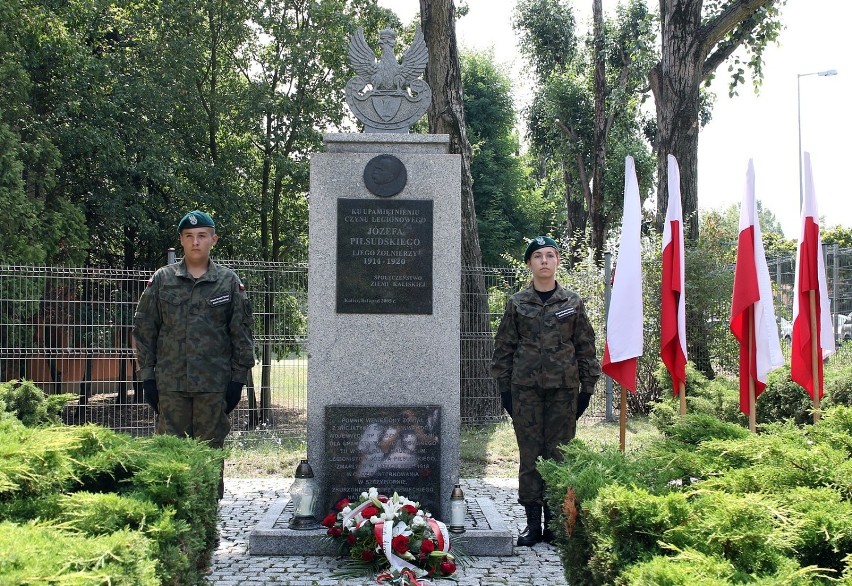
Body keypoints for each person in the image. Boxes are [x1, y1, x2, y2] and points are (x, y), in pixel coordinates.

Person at [133, 210, 255, 496]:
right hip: (170, 385)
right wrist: (147, 378)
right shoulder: (162, 279)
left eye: (202, 236)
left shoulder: (228, 282)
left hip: (213, 386)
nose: (195, 242)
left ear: (213, 239)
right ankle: (173, 524)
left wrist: (238, 380)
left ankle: (206, 520)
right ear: (181, 240)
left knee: (209, 456)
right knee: (169, 457)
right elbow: (144, 330)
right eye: (189, 237)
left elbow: (242, 333)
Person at [491, 236, 601, 546]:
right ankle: (532, 525)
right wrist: (505, 391)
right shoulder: (516, 303)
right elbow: (504, 349)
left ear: (557, 262)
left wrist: (586, 391)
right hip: (524, 391)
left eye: (550, 255)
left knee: (559, 454)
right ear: (529, 263)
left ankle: (554, 523)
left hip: (563, 392)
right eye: (537, 256)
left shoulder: (572, 303)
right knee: (530, 456)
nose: (544, 261)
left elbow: (585, 348)